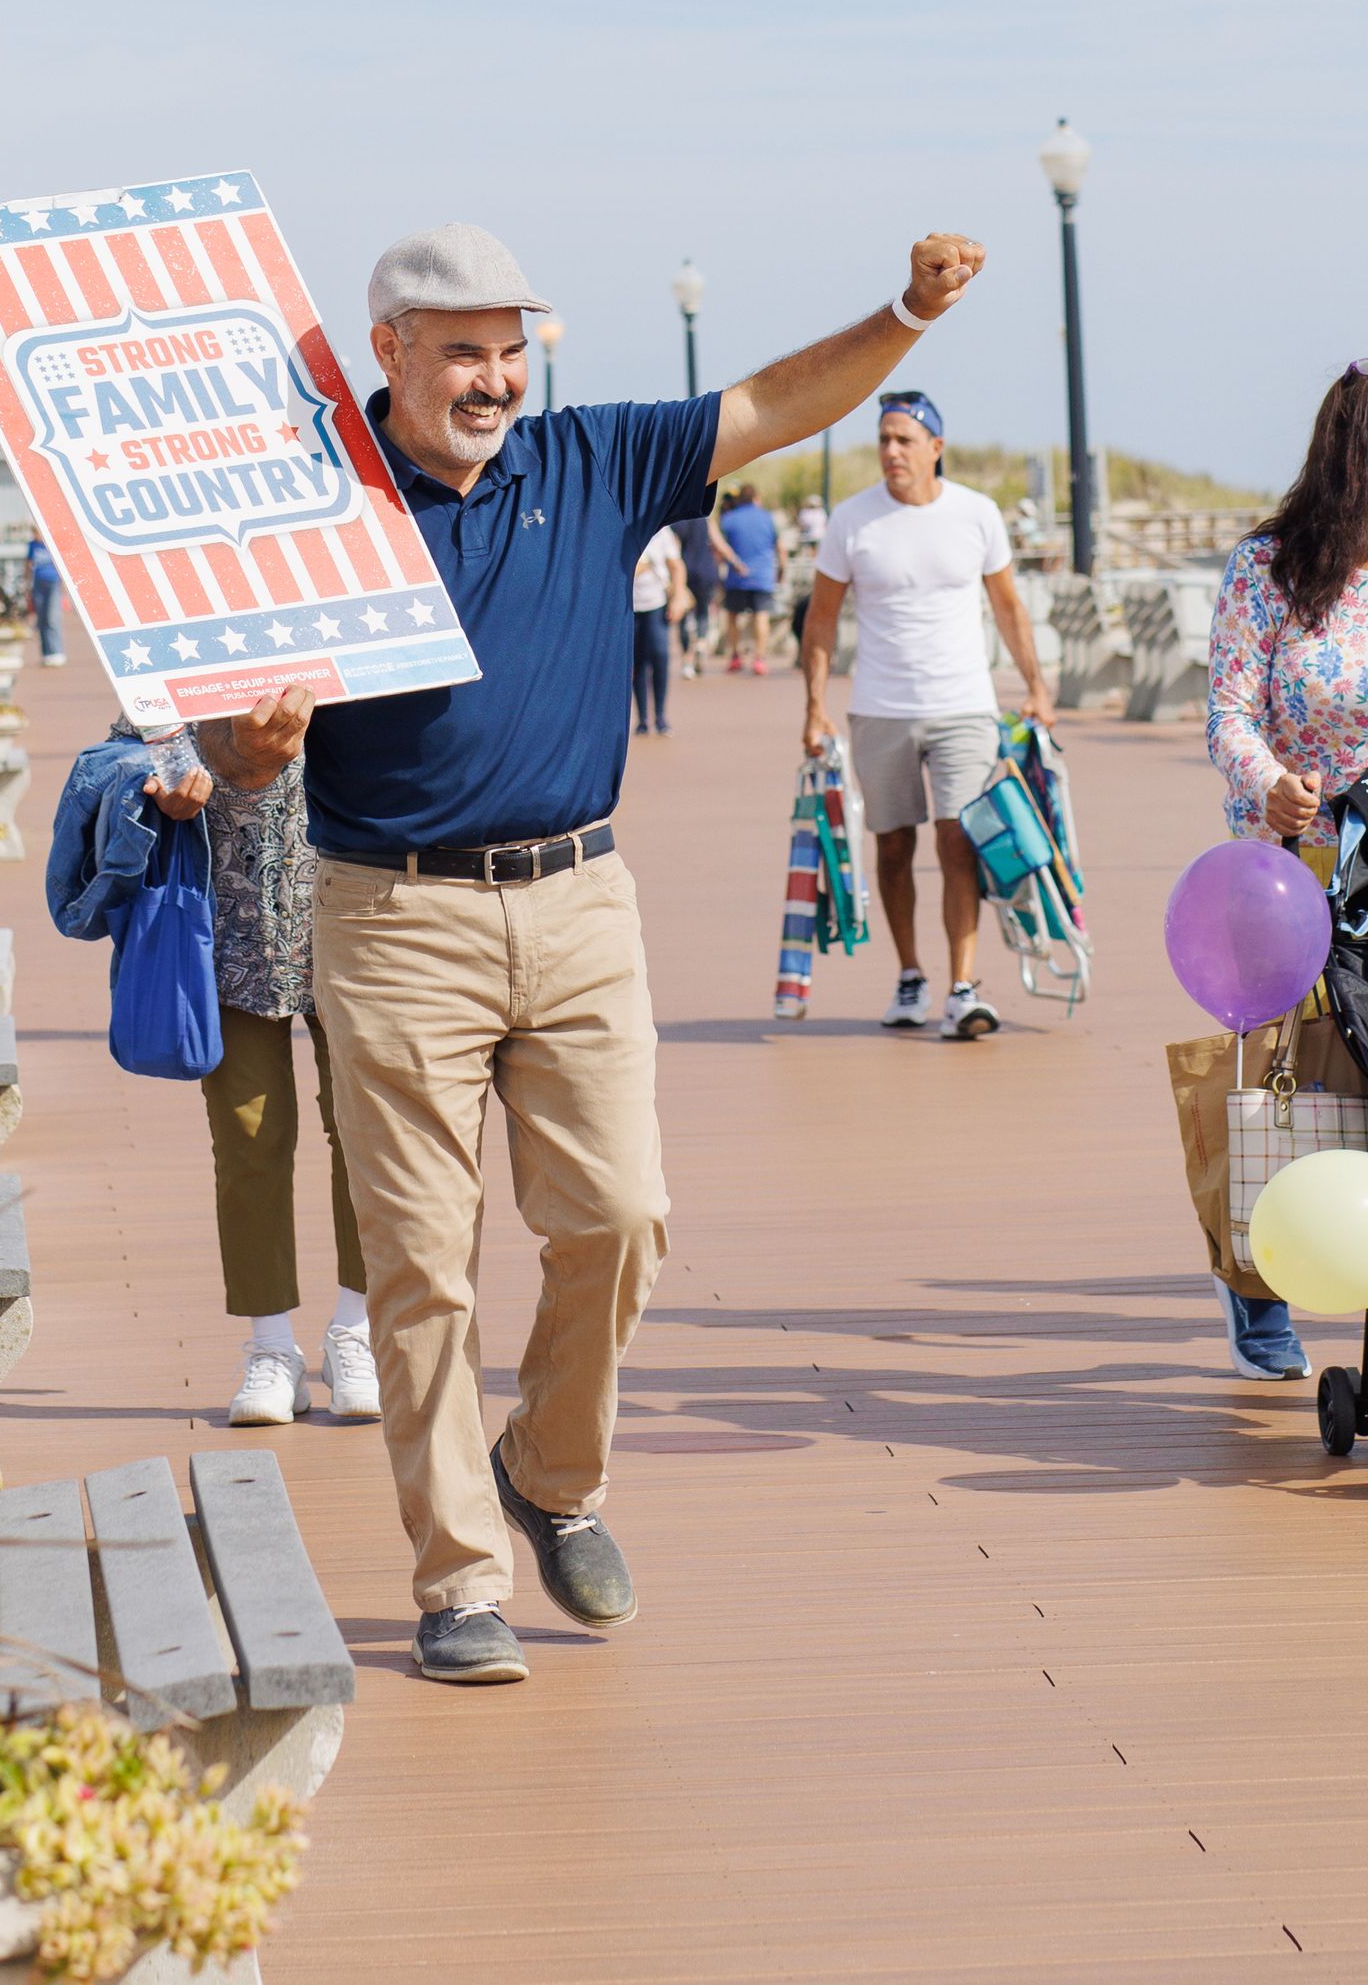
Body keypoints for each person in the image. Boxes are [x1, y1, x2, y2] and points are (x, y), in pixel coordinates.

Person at [259, 219, 986, 1687]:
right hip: (391, 915)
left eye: (511, 345)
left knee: (622, 1215)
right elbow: (231, 733)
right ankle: (459, 1574)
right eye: (462, 347)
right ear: (387, 348)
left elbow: (780, 397)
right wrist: (250, 740)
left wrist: (904, 311)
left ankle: (549, 1465)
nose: (494, 375)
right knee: (419, 1269)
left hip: (582, 901)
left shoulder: (591, 460)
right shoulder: (315, 505)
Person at [48, 691, 380, 1426]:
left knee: (366, 1133)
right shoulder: (190, 637)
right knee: (249, 1139)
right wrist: (160, 786)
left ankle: (355, 1331)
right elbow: (118, 752)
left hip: (355, 918)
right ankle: (271, 1348)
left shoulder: (346, 628)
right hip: (225, 932)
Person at [1202, 360, 1368, 1381]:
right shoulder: (1266, 567)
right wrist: (1270, 784)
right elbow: (1226, 709)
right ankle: (1258, 1288)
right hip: (1284, 852)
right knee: (1275, 1068)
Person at [799, 390, 1054, 1042]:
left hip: (964, 705)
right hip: (879, 708)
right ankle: (910, 973)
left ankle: (963, 987)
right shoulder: (853, 521)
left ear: (935, 447)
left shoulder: (977, 513)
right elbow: (821, 618)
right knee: (891, 846)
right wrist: (814, 708)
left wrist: (1036, 687)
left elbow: (1008, 608)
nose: (891, 451)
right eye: (884, 439)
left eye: (904, 440)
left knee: (958, 839)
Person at [718, 482, 780, 674]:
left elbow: (719, 548)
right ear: (756, 498)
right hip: (762, 576)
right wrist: (781, 571)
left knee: (732, 616)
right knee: (761, 616)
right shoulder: (767, 518)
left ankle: (735, 656)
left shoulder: (729, 519)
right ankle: (759, 658)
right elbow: (780, 547)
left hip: (736, 576)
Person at [631, 527, 682, 734]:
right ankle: (642, 718)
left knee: (660, 656)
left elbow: (676, 566)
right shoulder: (621, 526)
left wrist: (678, 597)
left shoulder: (662, 532)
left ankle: (661, 716)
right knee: (636, 662)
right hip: (629, 606)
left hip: (656, 603)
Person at [673, 512, 722, 676]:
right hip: (705, 570)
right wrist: (735, 562)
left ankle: (687, 660)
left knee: (684, 616)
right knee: (703, 612)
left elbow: (674, 549)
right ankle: (701, 643)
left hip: (685, 572)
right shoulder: (707, 518)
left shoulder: (678, 519)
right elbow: (718, 543)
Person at [26, 532, 66, 667]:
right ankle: (46, 653)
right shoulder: (32, 545)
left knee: (52, 618)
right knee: (42, 619)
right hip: (38, 584)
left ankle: (56, 651)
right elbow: (29, 564)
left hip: (53, 582)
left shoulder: (53, 543)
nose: (36, 535)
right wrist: (27, 585)